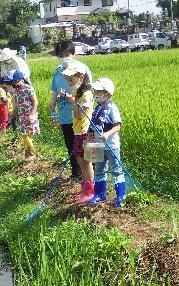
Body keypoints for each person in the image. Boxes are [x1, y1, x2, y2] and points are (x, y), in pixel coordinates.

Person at [49, 40, 93, 180]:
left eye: (67, 54)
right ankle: (76, 174)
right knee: (71, 146)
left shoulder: (82, 69)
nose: (64, 57)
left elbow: (88, 91)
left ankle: (91, 177)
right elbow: (55, 90)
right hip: (65, 115)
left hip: (81, 116)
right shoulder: (58, 71)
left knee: (85, 147)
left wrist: (74, 100)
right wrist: (53, 103)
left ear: (73, 54)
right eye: (61, 55)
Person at [87, 78, 126, 207]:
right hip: (98, 144)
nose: (96, 93)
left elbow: (118, 126)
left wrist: (107, 134)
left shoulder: (112, 108)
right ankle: (100, 194)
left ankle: (120, 196)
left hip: (111, 145)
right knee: (99, 169)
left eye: (99, 91)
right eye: (95, 91)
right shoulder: (97, 108)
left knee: (116, 170)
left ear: (107, 93)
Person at [60, 61, 94, 203]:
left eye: (71, 79)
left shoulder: (86, 94)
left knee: (86, 162)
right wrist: (71, 99)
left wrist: (72, 102)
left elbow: (80, 114)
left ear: (81, 77)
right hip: (78, 131)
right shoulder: (77, 92)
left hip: (86, 132)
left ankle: (90, 190)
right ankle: (85, 186)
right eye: (67, 79)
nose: (68, 82)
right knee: (80, 160)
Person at [5, 70, 39, 160]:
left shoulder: (28, 88)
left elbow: (35, 102)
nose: (14, 85)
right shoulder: (17, 91)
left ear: (21, 80)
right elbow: (16, 105)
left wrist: (32, 115)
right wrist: (13, 114)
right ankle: (31, 152)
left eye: (15, 82)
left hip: (30, 115)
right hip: (21, 117)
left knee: (28, 135)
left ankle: (31, 153)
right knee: (24, 134)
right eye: (12, 83)